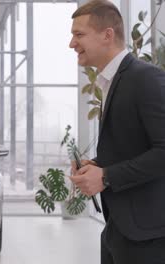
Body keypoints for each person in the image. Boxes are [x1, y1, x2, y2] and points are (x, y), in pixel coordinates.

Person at [69, 1, 165, 263]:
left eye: (79, 35)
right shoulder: (112, 81)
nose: (72, 44)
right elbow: (133, 145)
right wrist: (97, 165)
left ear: (107, 35)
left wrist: (107, 176)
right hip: (118, 228)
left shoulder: (146, 78)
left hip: (147, 236)